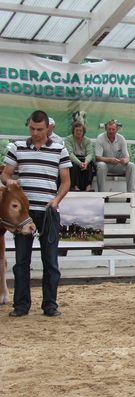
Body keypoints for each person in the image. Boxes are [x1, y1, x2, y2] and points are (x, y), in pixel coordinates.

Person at [1, 110, 71, 317]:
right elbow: (5, 174)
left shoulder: (60, 149)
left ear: (48, 128)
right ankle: (21, 305)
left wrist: (56, 200)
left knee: (51, 261)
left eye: (39, 129)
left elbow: (66, 181)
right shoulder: (17, 147)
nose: (35, 133)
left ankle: (50, 305)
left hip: (48, 212)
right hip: (24, 215)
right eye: (32, 128)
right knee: (22, 261)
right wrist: (9, 181)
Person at [95, 120, 135, 193]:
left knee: (131, 165)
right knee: (101, 165)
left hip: (117, 165)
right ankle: (101, 194)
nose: (111, 131)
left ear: (117, 130)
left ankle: (131, 194)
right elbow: (97, 157)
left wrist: (124, 160)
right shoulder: (100, 138)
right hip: (105, 165)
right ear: (105, 129)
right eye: (109, 129)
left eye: (113, 129)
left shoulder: (121, 138)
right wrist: (110, 160)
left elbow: (127, 157)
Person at [64, 121, 95, 191]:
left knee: (90, 164)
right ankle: (75, 186)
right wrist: (79, 163)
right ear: (73, 131)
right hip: (73, 159)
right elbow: (70, 154)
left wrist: (86, 162)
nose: (78, 132)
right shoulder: (68, 139)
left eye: (80, 130)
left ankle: (88, 186)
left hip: (84, 159)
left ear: (83, 132)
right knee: (74, 165)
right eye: (77, 130)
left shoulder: (88, 140)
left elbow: (90, 154)